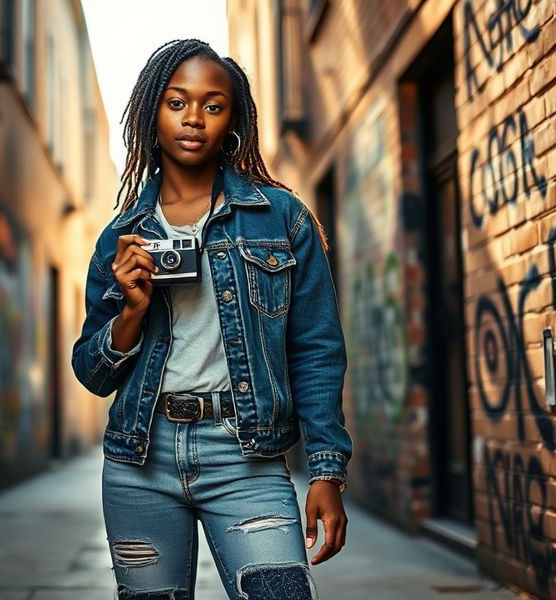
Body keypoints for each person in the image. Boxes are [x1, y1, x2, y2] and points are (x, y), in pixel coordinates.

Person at [72, 38, 352, 600]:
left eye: (213, 104)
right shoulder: (121, 238)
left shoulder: (282, 219)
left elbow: (316, 348)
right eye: (176, 102)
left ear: (233, 121)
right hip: (139, 460)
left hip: (247, 457)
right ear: (152, 113)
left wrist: (326, 469)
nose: (193, 118)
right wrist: (131, 310)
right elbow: (92, 373)